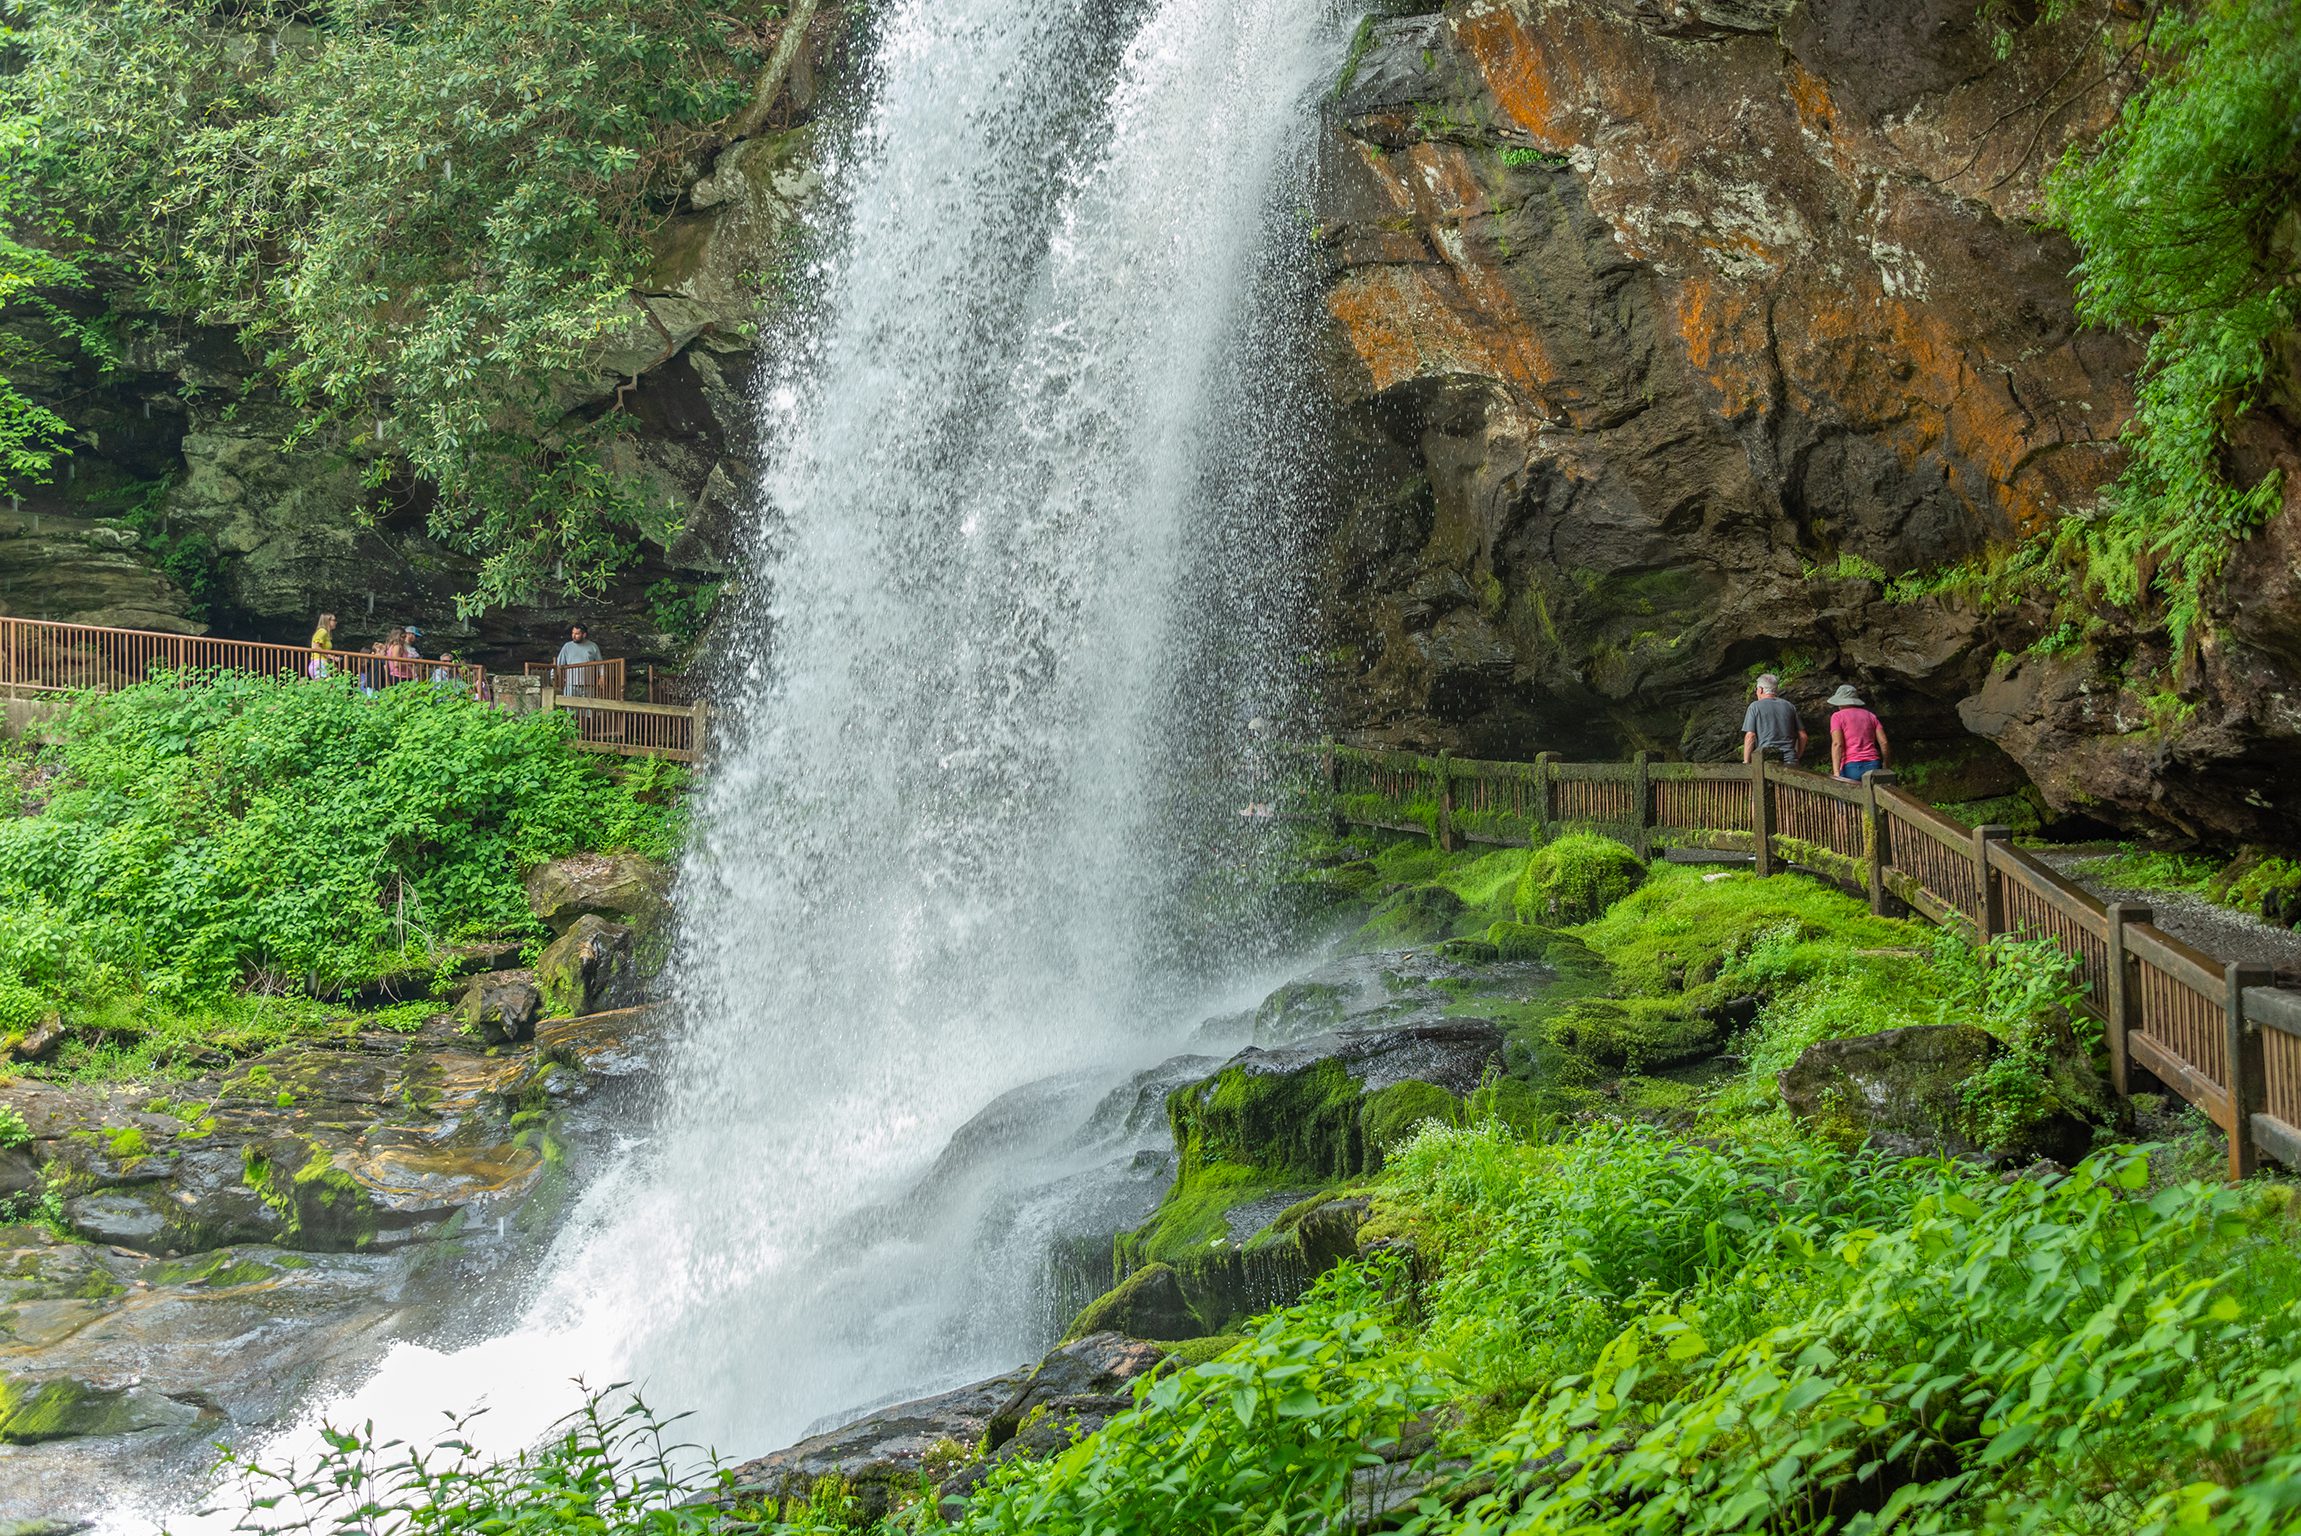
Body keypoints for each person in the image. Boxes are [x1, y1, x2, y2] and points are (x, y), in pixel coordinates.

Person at [1739, 674, 1806, 767]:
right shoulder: (1790, 706)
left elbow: (1750, 736)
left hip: (1767, 761)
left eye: (1757, 689)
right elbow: (1803, 736)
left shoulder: (1754, 707)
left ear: (1761, 689)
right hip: (1790, 761)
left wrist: (1746, 762)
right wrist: (1797, 756)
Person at [1827, 684, 1889, 781]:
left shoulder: (1837, 716)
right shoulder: (1870, 716)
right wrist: (1885, 763)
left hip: (1851, 766)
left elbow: (1837, 744)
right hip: (1874, 764)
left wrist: (1836, 772)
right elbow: (1884, 742)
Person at [555, 623, 604, 698]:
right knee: (570, 707)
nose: (573, 636)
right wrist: (555, 676)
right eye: (572, 633)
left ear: (584, 634)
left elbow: (600, 663)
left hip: (588, 684)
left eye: (577, 634)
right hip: (571, 684)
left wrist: (602, 676)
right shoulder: (567, 646)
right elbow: (559, 663)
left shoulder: (593, 646)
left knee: (588, 707)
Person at [306, 611, 337, 680]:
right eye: (334, 620)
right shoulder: (323, 631)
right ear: (327, 621)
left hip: (322, 663)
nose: (336, 622)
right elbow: (315, 647)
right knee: (323, 686)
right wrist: (331, 657)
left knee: (327, 687)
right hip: (319, 663)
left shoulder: (325, 633)